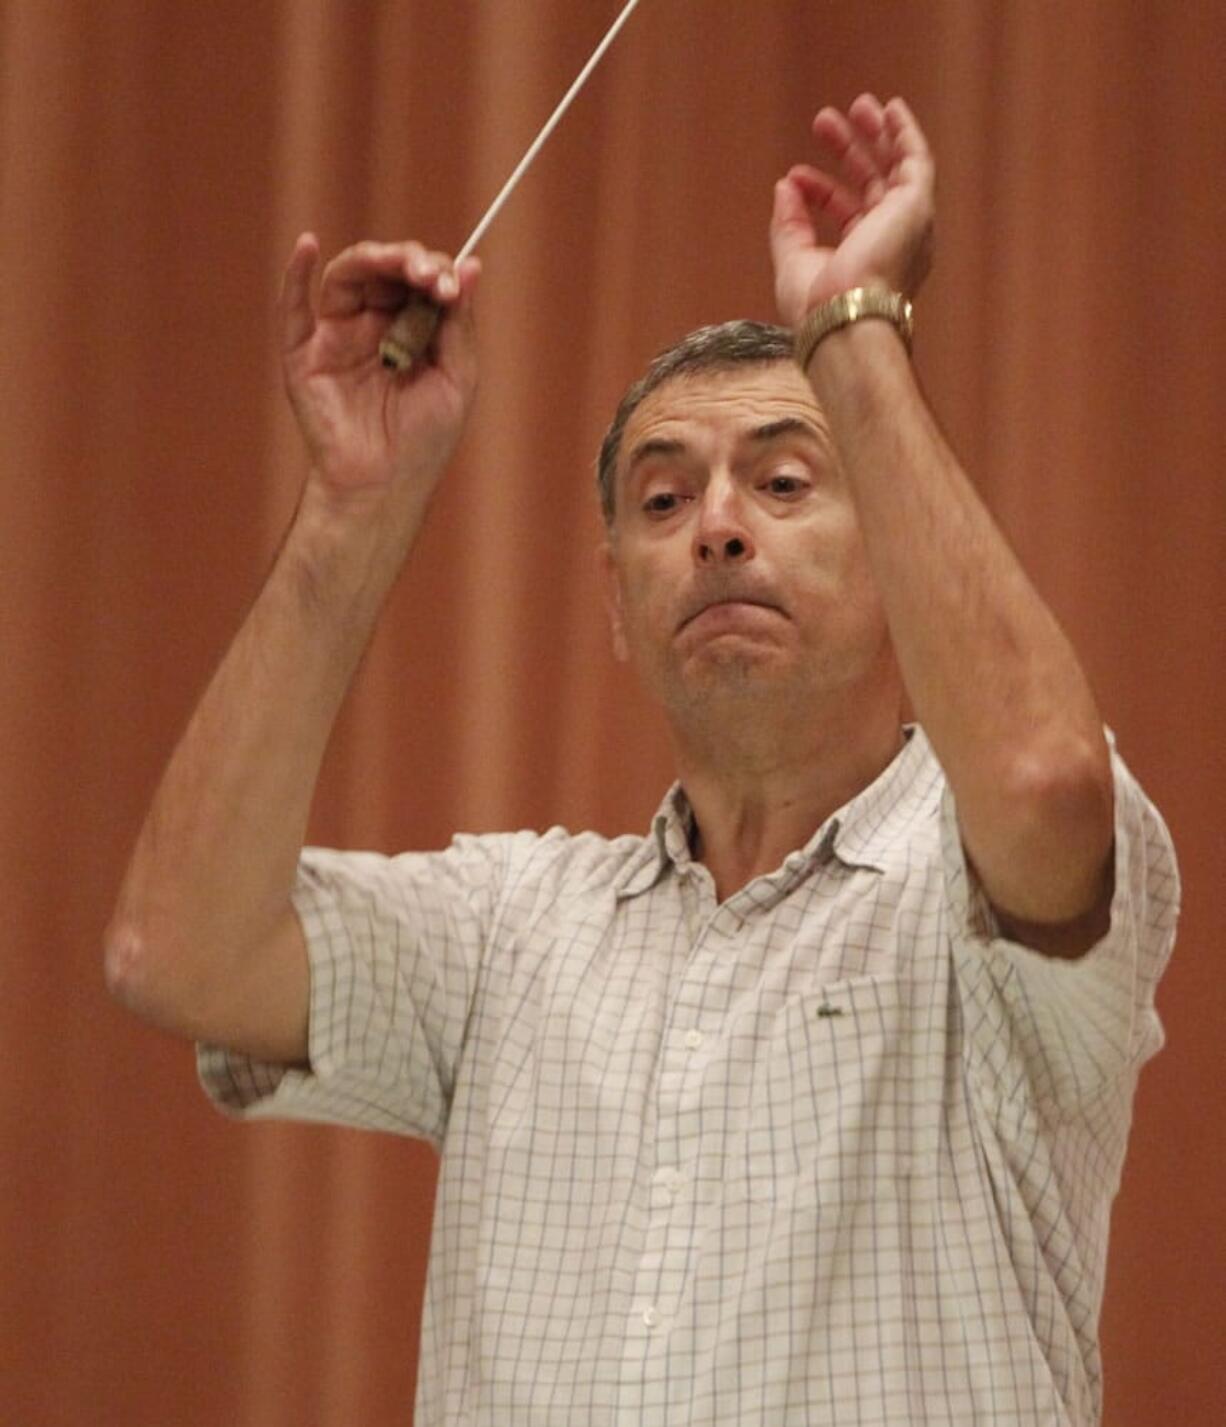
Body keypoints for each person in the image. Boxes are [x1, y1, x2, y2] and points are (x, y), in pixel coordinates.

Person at [106, 94, 1178, 1426]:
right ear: (615, 605)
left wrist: (851, 334)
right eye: (663, 501)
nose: (718, 526)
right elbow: (179, 951)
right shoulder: (513, 928)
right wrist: (351, 505)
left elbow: (1037, 787)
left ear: (898, 556)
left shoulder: (968, 895)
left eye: (785, 484)